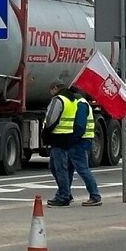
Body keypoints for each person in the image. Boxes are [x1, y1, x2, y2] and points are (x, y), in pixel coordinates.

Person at [42, 79, 81, 207]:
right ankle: (65, 192)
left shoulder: (58, 100)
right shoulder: (72, 100)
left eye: (51, 90)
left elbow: (50, 119)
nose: (50, 92)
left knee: (59, 168)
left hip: (58, 137)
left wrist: (45, 134)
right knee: (60, 167)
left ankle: (63, 195)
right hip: (68, 136)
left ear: (55, 88)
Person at [68, 91, 102, 206]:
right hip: (81, 140)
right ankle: (65, 194)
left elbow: (80, 126)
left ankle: (95, 196)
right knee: (69, 169)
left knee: (82, 169)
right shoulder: (81, 103)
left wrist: (73, 138)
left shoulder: (80, 104)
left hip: (80, 141)